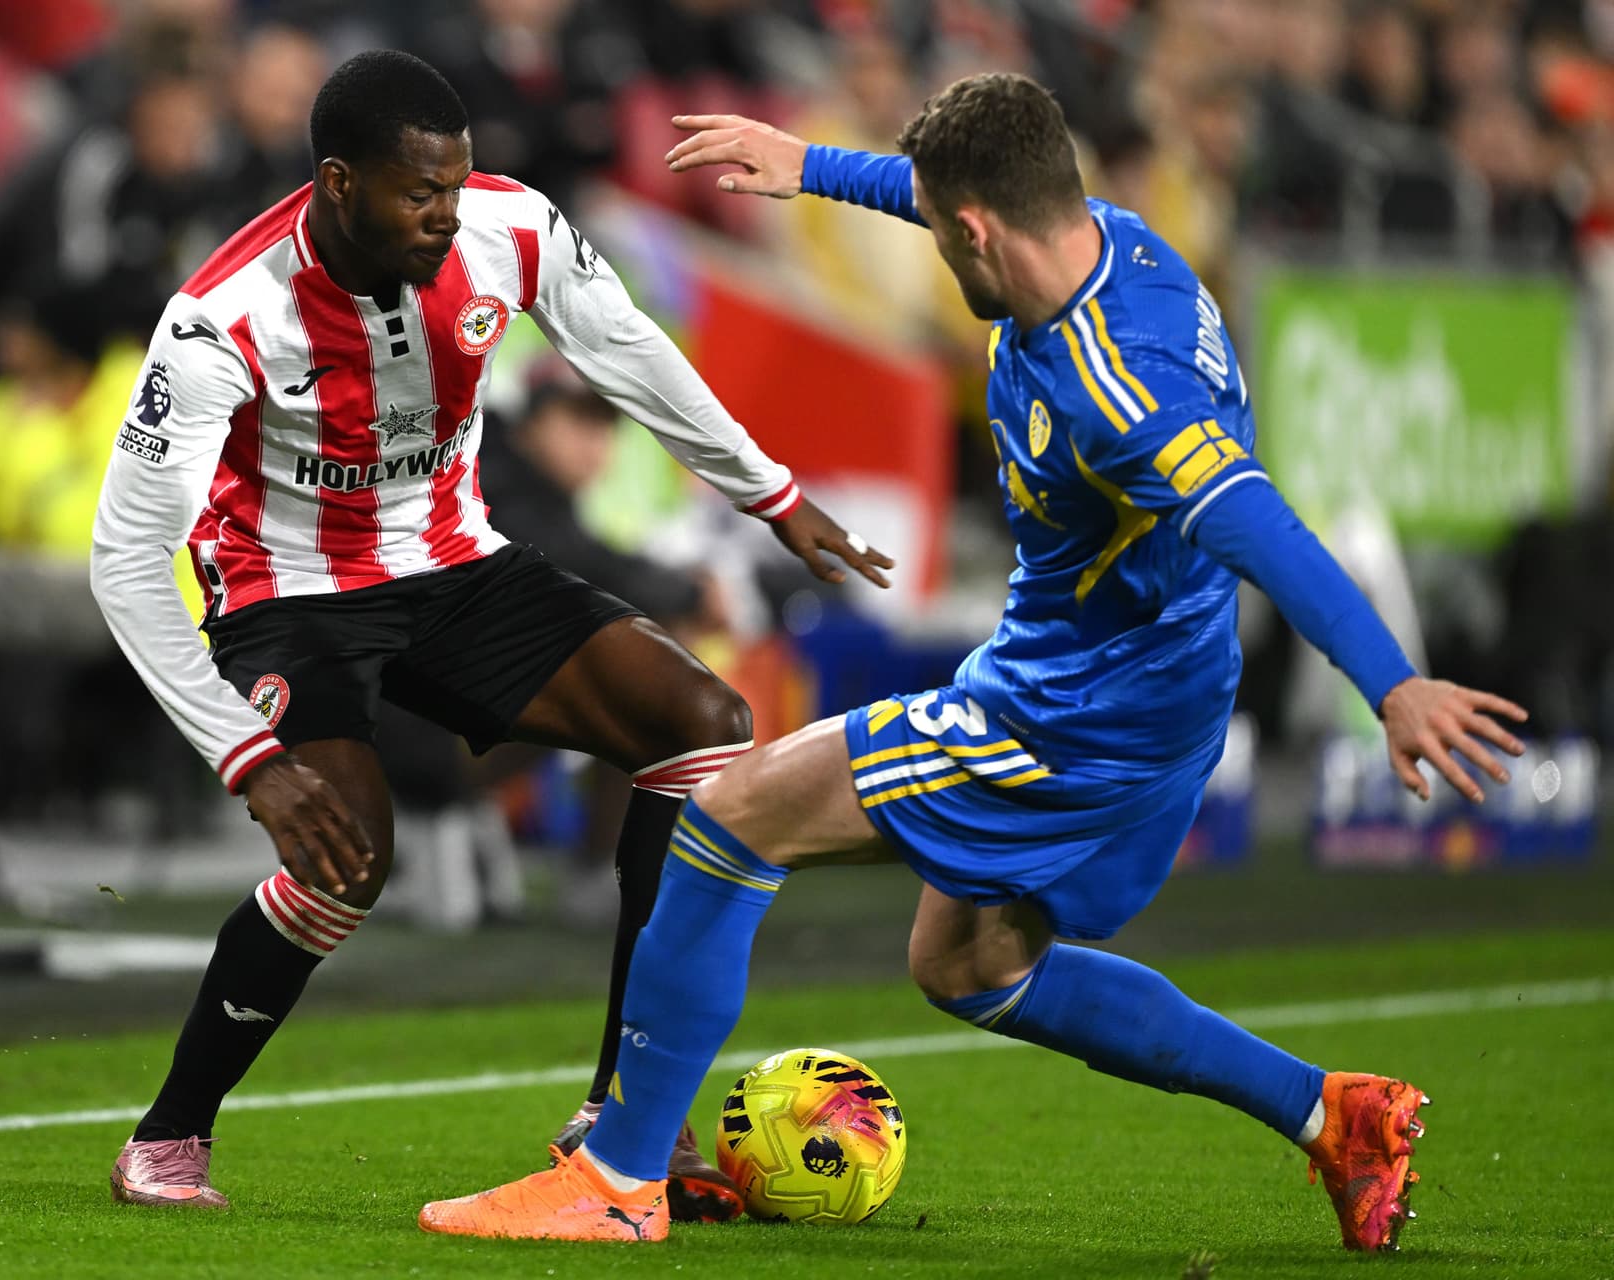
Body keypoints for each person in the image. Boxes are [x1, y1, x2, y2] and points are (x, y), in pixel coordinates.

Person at [417, 74, 1529, 1250]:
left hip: (1072, 708)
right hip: (1148, 685)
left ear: (977, 231)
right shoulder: (1112, 239)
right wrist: (813, 168)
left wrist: (1391, 681)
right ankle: (1332, 1115)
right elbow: (951, 192)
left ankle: (618, 1173)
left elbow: (1254, 519)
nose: (942, 254)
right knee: (968, 965)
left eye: (946, 233)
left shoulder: (1120, 387)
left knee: (729, 814)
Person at [91, 50, 891, 1219]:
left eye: (458, 187)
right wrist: (246, 755)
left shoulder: (508, 228)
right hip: (292, 593)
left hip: (457, 562)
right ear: (338, 182)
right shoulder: (222, 318)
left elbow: (624, 349)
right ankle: (168, 1136)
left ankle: (622, 1116)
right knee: (346, 859)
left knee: (704, 727)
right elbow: (123, 556)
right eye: (422, 194)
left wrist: (769, 493)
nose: (448, 215)